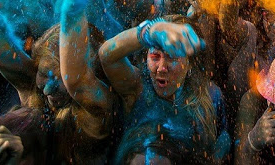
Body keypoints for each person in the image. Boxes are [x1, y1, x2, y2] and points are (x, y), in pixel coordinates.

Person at [98, 16, 229, 163]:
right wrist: (149, 32)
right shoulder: (138, 88)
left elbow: (223, 139)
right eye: (155, 56)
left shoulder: (210, 95)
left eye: (172, 57)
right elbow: (106, 55)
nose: (161, 68)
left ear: (190, 63)